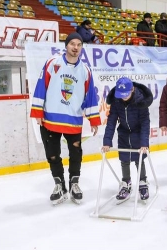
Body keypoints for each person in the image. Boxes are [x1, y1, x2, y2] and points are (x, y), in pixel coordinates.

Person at [30, 32, 101, 205]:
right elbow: (41, 86)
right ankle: (59, 185)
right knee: (53, 155)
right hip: (50, 120)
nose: (75, 48)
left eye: (79, 45)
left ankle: (74, 183)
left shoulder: (85, 70)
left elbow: (90, 96)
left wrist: (93, 119)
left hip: (73, 120)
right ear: (66, 45)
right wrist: (38, 112)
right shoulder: (52, 63)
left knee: (76, 154)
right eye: (72, 44)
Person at [101, 77, 153, 204]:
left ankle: (143, 182)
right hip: (123, 133)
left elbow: (145, 122)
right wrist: (107, 141)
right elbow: (111, 121)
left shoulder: (140, 101)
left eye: (126, 94)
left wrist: (144, 143)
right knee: (124, 159)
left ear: (132, 89)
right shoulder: (117, 101)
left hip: (138, 132)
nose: (123, 97)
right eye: (121, 95)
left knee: (138, 158)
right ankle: (126, 183)